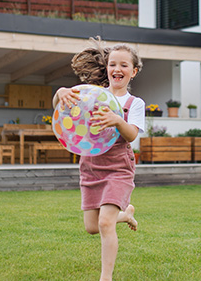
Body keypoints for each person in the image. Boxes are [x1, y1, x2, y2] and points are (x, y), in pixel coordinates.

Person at [53, 39, 145, 281]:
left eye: (124, 65)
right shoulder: (93, 94)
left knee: (105, 223)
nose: (117, 69)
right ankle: (126, 214)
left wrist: (118, 120)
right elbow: (61, 106)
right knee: (92, 227)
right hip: (91, 167)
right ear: (106, 69)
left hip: (118, 168)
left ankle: (106, 278)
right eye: (112, 64)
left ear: (133, 71)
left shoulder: (134, 104)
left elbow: (132, 135)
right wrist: (60, 93)